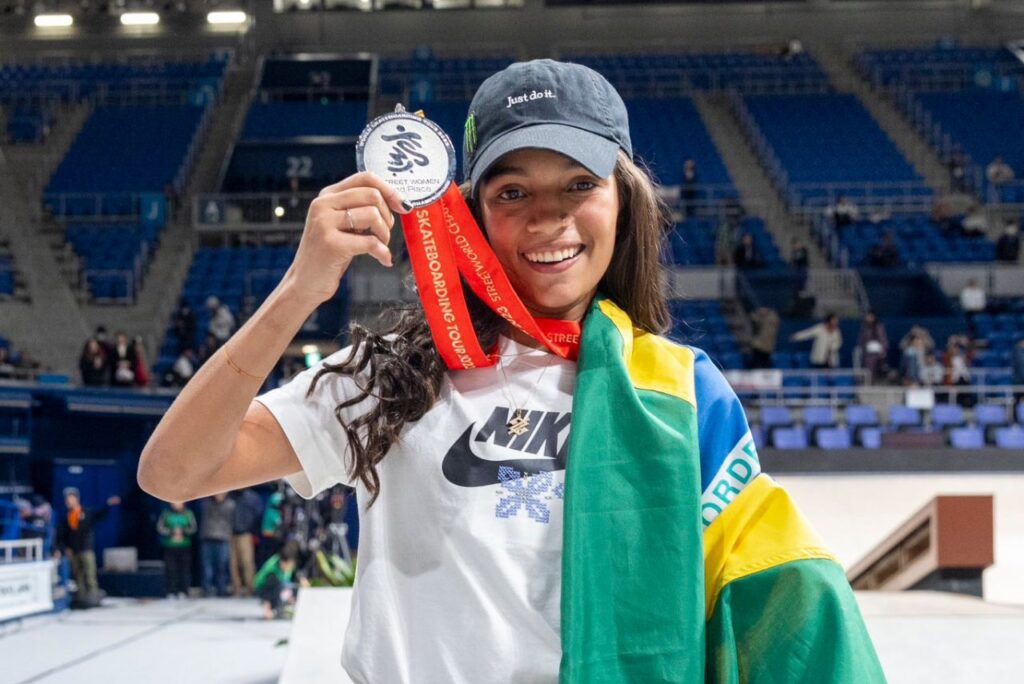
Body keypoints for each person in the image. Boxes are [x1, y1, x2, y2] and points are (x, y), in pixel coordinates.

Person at [138, 60, 883, 681]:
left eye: (578, 185)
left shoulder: (678, 391)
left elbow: (776, 589)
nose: (547, 219)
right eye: (513, 192)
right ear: (469, 216)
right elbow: (173, 473)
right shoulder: (394, 377)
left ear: (624, 200)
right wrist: (299, 288)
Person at [56, 488, 120, 606]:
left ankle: (94, 598)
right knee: (77, 575)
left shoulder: (86, 512)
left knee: (90, 574)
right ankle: (81, 599)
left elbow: (100, 513)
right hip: (74, 550)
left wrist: (108, 504)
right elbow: (62, 535)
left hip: (86, 549)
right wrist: (64, 548)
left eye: (71, 498)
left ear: (76, 499)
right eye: (67, 499)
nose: (69, 501)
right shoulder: (66, 517)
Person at [254, 540, 307, 620]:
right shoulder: (272, 571)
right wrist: (267, 609)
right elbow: (268, 591)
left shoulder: (289, 562)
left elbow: (295, 575)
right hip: (263, 588)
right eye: (288, 565)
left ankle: (286, 602)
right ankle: (275, 608)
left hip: (281, 585)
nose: (290, 567)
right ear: (282, 562)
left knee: (295, 589)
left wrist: (302, 580)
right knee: (279, 589)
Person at [157, 501, 197, 599]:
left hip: (184, 546)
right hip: (170, 546)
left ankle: (183, 591)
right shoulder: (166, 514)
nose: (176, 504)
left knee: (184, 570)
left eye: (179, 502)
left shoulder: (188, 513)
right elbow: (160, 527)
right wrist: (171, 531)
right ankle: (171, 591)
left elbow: (193, 528)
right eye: (174, 503)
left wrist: (183, 531)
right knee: (171, 570)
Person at [199, 492, 235, 597]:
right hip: (208, 538)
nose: (220, 495)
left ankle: (222, 589)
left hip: (223, 539)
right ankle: (206, 589)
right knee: (207, 567)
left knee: (222, 567)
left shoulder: (230, 505)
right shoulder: (206, 504)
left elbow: (232, 521)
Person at [230, 488, 263, 597]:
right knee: (232, 563)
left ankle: (251, 588)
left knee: (247, 562)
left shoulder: (252, 497)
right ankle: (237, 589)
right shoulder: (230, 495)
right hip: (230, 533)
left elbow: (258, 514)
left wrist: (251, 528)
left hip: (245, 533)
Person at [857, 311, 888, 384]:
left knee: (876, 369)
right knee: (868, 368)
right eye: (867, 317)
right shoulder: (864, 328)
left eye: (870, 317)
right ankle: (868, 382)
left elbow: (883, 340)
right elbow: (861, 340)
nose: (868, 318)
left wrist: (882, 352)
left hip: (877, 353)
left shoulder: (879, 327)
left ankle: (876, 382)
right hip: (867, 354)